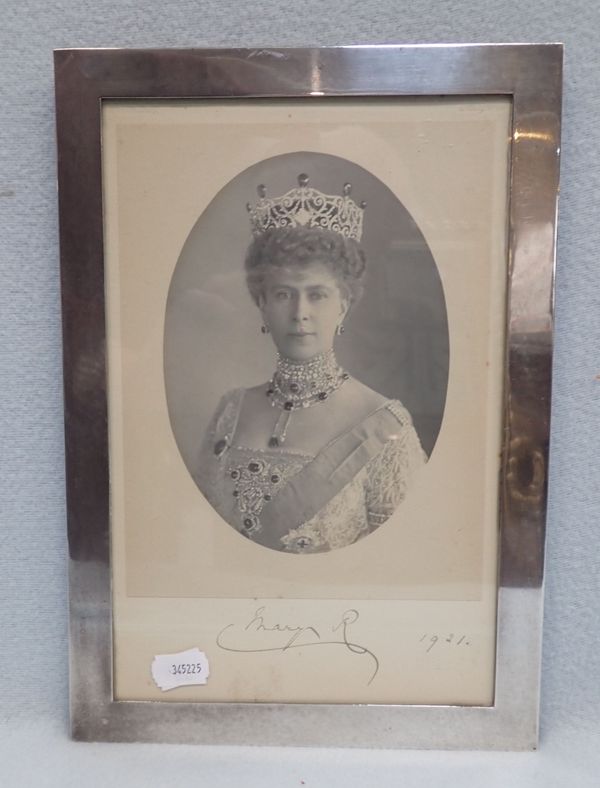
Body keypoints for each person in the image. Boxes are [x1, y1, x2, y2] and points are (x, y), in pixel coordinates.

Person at [195, 174, 426, 553]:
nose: (300, 313)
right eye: (284, 294)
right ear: (262, 305)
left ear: (343, 306)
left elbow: (402, 563)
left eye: (317, 295)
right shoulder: (230, 410)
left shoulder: (385, 427)